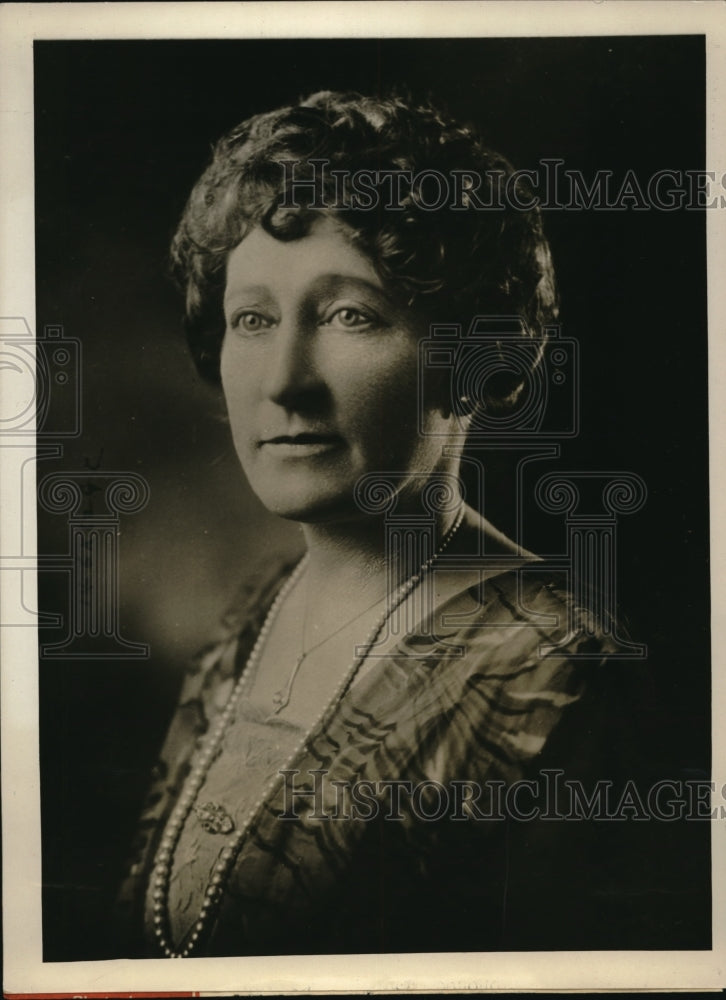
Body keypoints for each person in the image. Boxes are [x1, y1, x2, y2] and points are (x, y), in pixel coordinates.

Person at [114, 91, 657, 958]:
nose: (284, 379)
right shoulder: (252, 614)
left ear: (478, 361)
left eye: (349, 315)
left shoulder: (554, 673)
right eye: (252, 318)